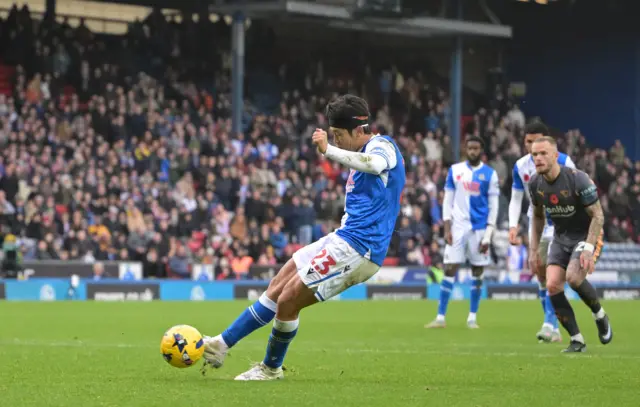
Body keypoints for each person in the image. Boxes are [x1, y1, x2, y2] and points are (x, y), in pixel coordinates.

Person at [201, 95, 406, 380]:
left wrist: (329, 150)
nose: (336, 141)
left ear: (358, 130)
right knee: (278, 285)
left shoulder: (383, 146)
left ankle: (271, 369)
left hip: (361, 248)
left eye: (339, 135)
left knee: (288, 300)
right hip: (344, 237)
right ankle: (221, 344)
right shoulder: (361, 150)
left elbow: (373, 164)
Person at [528, 136, 612, 353]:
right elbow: (537, 217)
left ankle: (599, 314)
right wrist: (534, 249)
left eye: (543, 153)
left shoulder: (577, 179)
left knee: (574, 278)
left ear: (556, 156)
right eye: (534, 154)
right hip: (561, 236)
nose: (538, 158)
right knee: (553, 285)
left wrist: (588, 247)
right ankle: (577, 340)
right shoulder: (535, 184)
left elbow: (598, 216)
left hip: (586, 234)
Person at [508, 119, 575, 343]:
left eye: (536, 142)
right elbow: (516, 198)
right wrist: (512, 225)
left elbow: (578, 190)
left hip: (560, 221)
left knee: (549, 269)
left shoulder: (564, 162)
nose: (531, 146)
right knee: (538, 271)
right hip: (535, 221)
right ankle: (554, 327)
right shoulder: (520, 166)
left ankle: (549, 323)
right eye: (528, 142)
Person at [425, 136, 499, 329]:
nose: (472, 151)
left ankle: (472, 317)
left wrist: (489, 235)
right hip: (457, 227)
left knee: (477, 270)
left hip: (479, 229)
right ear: (466, 150)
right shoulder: (455, 170)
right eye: (470, 148)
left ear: (481, 150)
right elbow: (447, 201)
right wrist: (447, 227)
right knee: (449, 268)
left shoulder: (490, 174)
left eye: (476, 148)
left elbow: (494, 206)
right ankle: (440, 317)